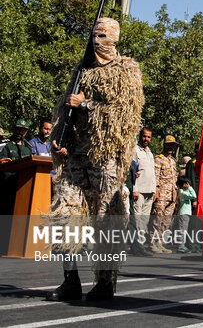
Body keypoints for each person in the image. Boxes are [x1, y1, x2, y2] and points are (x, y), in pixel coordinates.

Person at [46, 17, 144, 301]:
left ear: (114, 38)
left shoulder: (126, 68)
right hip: (76, 154)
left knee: (106, 220)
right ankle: (70, 279)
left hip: (107, 158)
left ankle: (104, 282)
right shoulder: (82, 69)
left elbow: (126, 114)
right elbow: (64, 106)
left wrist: (86, 104)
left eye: (103, 35)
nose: (97, 40)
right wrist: (58, 136)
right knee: (65, 214)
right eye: (94, 35)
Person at [150, 135, 179, 254]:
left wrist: (175, 192)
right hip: (161, 194)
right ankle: (152, 242)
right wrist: (156, 190)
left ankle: (160, 242)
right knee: (157, 219)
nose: (171, 147)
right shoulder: (159, 159)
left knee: (166, 221)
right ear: (164, 144)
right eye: (169, 144)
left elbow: (174, 179)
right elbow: (156, 176)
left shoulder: (172, 160)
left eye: (173, 145)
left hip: (171, 195)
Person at [131, 127, 157, 256]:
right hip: (139, 190)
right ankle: (137, 245)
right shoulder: (135, 150)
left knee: (144, 219)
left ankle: (140, 244)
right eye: (144, 136)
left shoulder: (149, 152)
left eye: (148, 137)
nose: (146, 139)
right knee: (137, 218)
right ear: (140, 136)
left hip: (149, 190)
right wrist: (134, 190)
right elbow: (132, 171)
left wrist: (154, 189)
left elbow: (152, 172)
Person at [175, 177, 196, 253]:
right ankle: (180, 246)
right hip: (183, 213)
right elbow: (193, 196)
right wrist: (190, 188)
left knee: (184, 230)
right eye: (186, 184)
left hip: (187, 213)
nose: (188, 185)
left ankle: (182, 245)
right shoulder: (181, 192)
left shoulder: (185, 191)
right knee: (182, 230)